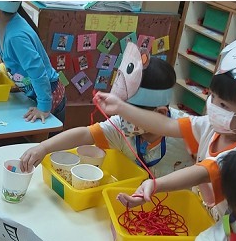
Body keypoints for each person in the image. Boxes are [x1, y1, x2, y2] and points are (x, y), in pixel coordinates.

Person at [94, 31, 236, 221]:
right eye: (212, 97)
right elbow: (166, 125)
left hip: (235, 226)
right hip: (208, 212)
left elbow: (202, 172)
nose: (213, 106)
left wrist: (156, 184)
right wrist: (121, 107)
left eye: (223, 105)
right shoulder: (214, 126)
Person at [19, 55, 195, 177]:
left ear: (160, 113)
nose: (122, 117)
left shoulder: (190, 132)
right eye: (120, 109)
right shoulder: (122, 128)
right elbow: (85, 134)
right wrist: (44, 147)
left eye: (129, 112)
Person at [0, 1, 66, 123]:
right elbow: (0, 41)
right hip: (34, 91)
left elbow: (38, 72)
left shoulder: (17, 37)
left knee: (50, 133)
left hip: (48, 94)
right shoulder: (0, 25)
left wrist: (44, 108)